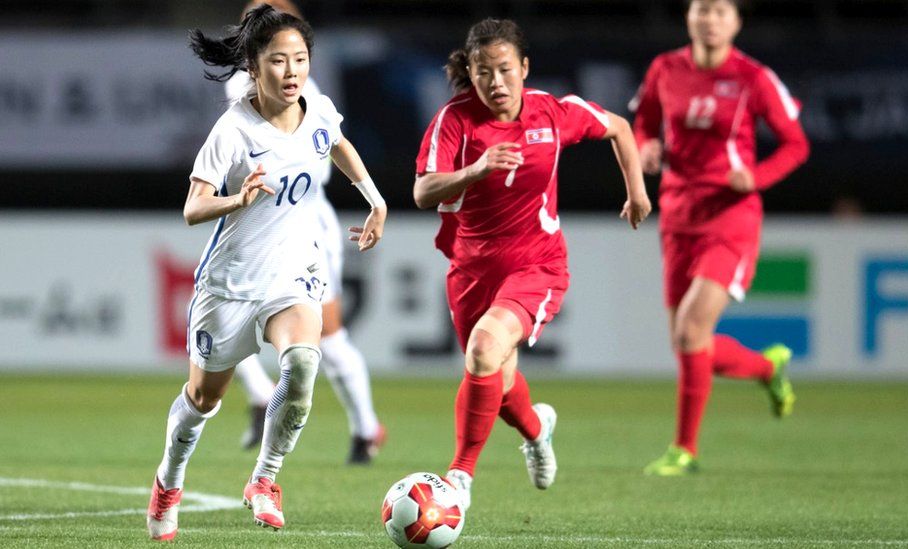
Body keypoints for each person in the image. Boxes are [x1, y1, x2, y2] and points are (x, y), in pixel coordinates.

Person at [146, 5, 387, 540]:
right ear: (253, 68)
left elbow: (338, 145)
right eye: (278, 60)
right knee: (203, 401)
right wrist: (238, 197)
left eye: (299, 58)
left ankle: (264, 479)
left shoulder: (317, 109)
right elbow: (193, 208)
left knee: (303, 362)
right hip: (230, 286)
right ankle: (169, 479)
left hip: (292, 275)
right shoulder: (234, 129)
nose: (291, 70)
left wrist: (375, 200)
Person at [414, 18, 651, 510]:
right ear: (471, 73)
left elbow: (620, 128)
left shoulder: (551, 113)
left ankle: (459, 477)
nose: (495, 83)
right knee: (495, 381)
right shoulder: (454, 120)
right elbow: (422, 191)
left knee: (482, 351)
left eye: (504, 70)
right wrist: (477, 169)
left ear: (524, 67)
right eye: (484, 72)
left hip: (537, 264)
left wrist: (637, 192)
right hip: (472, 268)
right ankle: (538, 429)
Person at [631, 0, 809, 476]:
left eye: (720, 11)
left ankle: (683, 450)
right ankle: (769, 368)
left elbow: (797, 144)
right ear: (688, 16)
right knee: (689, 343)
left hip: (730, 218)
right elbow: (644, 119)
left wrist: (757, 175)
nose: (710, 20)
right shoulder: (665, 69)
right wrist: (646, 144)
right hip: (677, 214)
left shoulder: (753, 76)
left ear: (737, 22)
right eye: (702, 9)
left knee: (691, 333)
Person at [225, 0, 386, 465]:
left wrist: (375, 200)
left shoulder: (294, 88)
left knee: (326, 338)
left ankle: (365, 428)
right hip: (254, 223)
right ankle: (260, 396)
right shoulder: (246, 81)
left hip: (303, 225)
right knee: (218, 319)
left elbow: (330, 148)